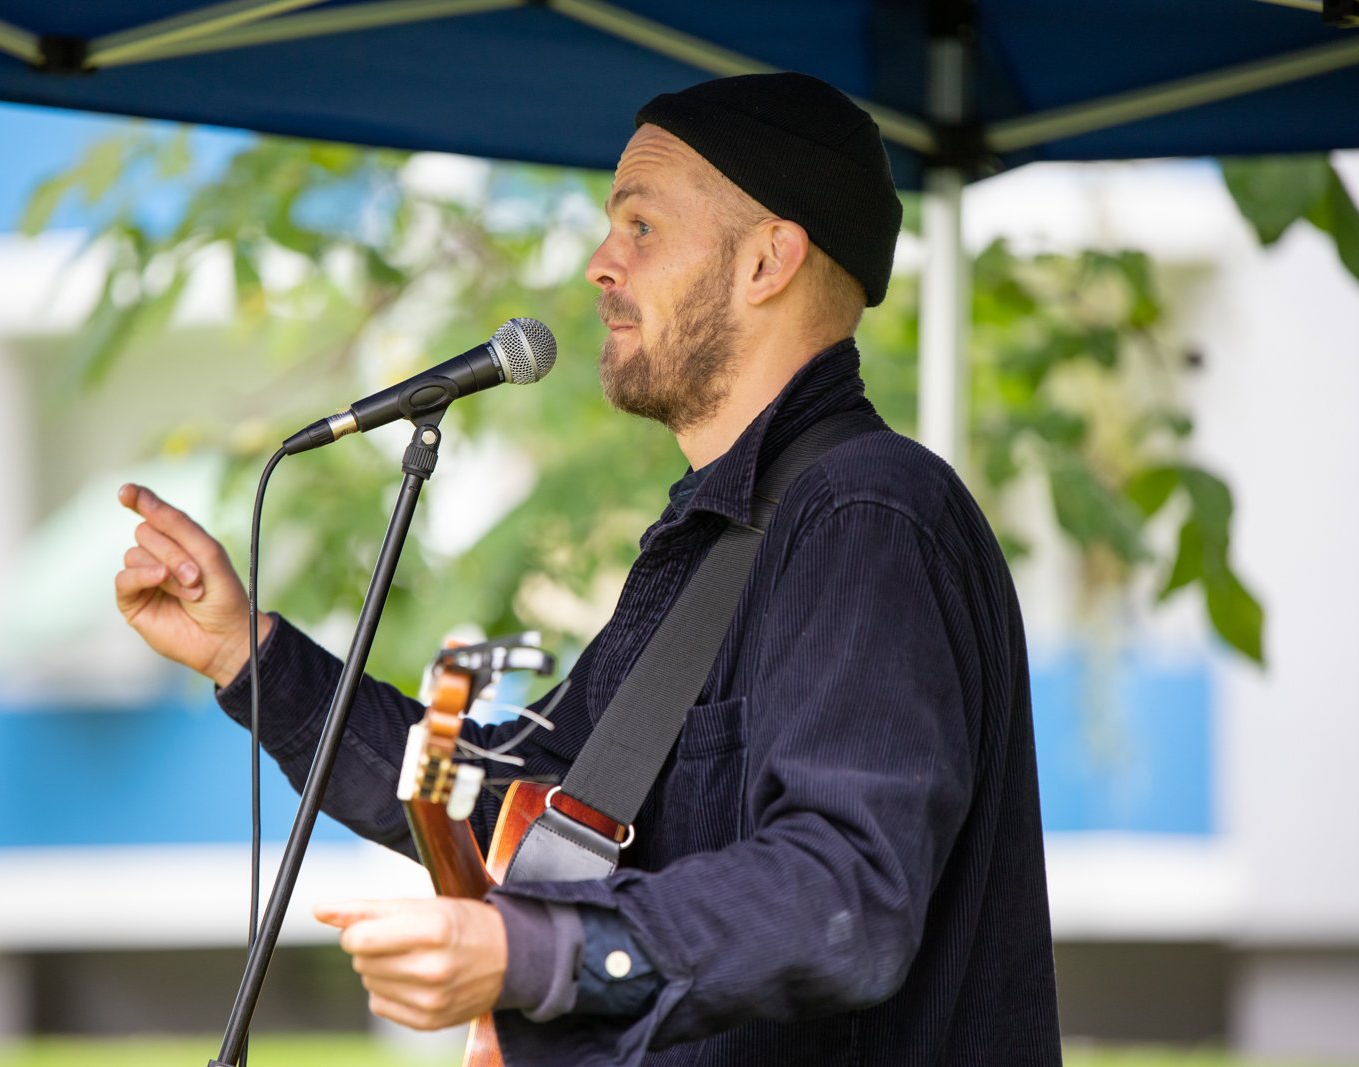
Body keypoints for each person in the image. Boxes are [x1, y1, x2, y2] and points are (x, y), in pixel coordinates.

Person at [115, 73, 1062, 1065]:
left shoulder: (866, 515)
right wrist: (246, 654)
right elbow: (517, 806)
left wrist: (536, 947)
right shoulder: (723, 537)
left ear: (768, 260)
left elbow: (844, 892)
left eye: (640, 227)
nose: (598, 266)